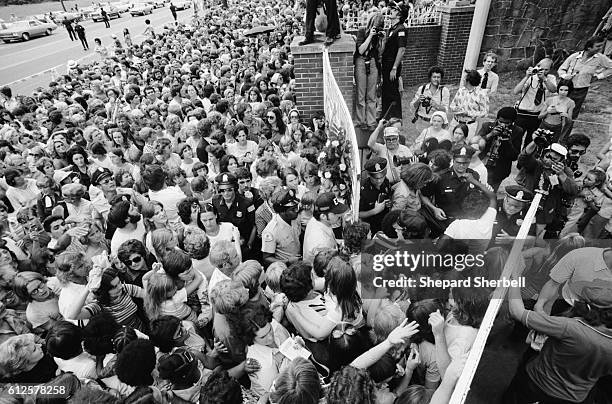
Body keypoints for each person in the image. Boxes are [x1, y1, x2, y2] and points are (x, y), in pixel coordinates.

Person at [558, 36, 612, 120]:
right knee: (558, 111)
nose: (600, 48)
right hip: (566, 88)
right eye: (598, 46)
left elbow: (611, 67)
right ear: (589, 47)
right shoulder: (574, 56)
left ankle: (565, 132)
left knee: (571, 114)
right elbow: (561, 69)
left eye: (601, 46)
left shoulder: (600, 58)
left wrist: (599, 76)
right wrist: (565, 76)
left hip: (581, 90)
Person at [476, 106, 524, 192]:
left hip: (498, 169)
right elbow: (476, 143)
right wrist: (490, 134)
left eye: (507, 123)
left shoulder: (517, 131)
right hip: (482, 163)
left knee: (490, 192)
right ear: (497, 119)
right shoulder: (487, 126)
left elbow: (514, 156)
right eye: (500, 122)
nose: (503, 125)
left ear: (513, 122)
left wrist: (507, 141)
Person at [512, 58, 557, 147]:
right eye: (541, 69)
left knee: (531, 139)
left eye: (546, 70)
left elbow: (553, 89)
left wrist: (544, 79)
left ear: (550, 70)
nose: (543, 71)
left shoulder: (551, 78)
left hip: (537, 114)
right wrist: (526, 77)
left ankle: (524, 158)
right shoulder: (531, 77)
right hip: (523, 113)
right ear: (537, 67)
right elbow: (516, 91)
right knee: (516, 138)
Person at [354, 12, 384, 130]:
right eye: (375, 23)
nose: (376, 27)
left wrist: (382, 40)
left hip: (373, 63)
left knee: (371, 95)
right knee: (360, 94)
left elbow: (380, 52)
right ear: (371, 22)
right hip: (361, 62)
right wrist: (370, 36)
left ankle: (371, 122)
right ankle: (360, 121)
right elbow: (361, 50)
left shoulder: (379, 34)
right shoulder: (362, 31)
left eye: (379, 24)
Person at [380, 3, 408, 121]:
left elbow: (401, 50)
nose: (391, 10)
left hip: (392, 65)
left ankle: (396, 117)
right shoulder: (392, 28)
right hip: (386, 64)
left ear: (399, 14)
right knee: (386, 90)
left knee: (393, 92)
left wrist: (394, 68)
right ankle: (385, 116)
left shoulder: (401, 29)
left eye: (395, 10)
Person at [303, 192, 348, 264]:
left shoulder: (316, 220)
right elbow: (328, 268)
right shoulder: (322, 242)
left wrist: (341, 243)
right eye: (335, 213)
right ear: (323, 216)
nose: (339, 215)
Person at [261, 188, 302, 266]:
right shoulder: (271, 231)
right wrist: (288, 261)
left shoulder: (294, 218)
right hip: (284, 267)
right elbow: (267, 258)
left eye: (297, 207)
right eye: (293, 209)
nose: (297, 211)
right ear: (282, 211)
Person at [367, 120, 413, 185]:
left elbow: (412, 168)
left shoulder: (405, 150)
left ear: (398, 139)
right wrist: (379, 128)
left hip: (401, 185)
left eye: (394, 139)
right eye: (388, 139)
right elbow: (370, 144)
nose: (391, 142)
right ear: (384, 139)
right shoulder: (381, 148)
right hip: (383, 185)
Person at [411, 66, 451, 138]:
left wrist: (436, 105)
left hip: (436, 124)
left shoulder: (444, 91)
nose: (436, 79)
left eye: (438, 77)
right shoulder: (422, 89)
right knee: (420, 145)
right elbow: (413, 106)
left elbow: (446, 110)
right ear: (430, 78)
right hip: (421, 122)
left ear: (441, 78)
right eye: (434, 77)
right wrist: (418, 100)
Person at [450, 69, 489, 140]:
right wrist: (455, 108)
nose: (463, 80)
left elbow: (484, 113)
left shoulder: (482, 94)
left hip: (469, 126)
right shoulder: (461, 90)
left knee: (465, 147)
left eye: (464, 78)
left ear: (469, 81)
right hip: (455, 123)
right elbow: (452, 105)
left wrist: (468, 113)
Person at [359, 157, 392, 234]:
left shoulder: (386, 181)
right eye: (375, 178)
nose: (379, 180)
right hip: (370, 227)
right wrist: (375, 211)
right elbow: (358, 214)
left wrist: (388, 203)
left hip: (384, 222)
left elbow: (388, 196)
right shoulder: (363, 189)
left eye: (381, 177)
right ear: (369, 175)